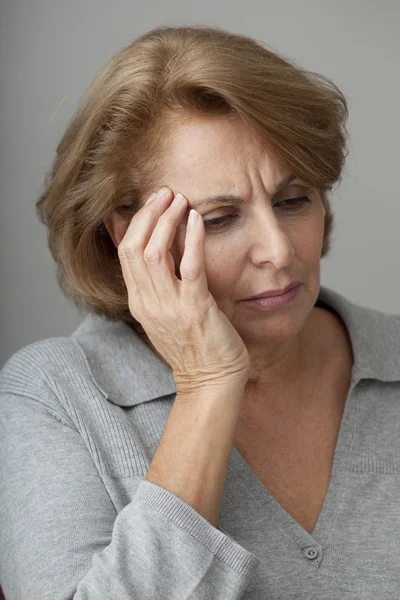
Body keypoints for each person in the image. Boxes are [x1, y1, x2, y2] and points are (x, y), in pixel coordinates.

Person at [1, 24, 400, 600]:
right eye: (218, 219)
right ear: (128, 236)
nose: (279, 251)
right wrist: (208, 387)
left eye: (294, 201)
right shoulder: (55, 397)